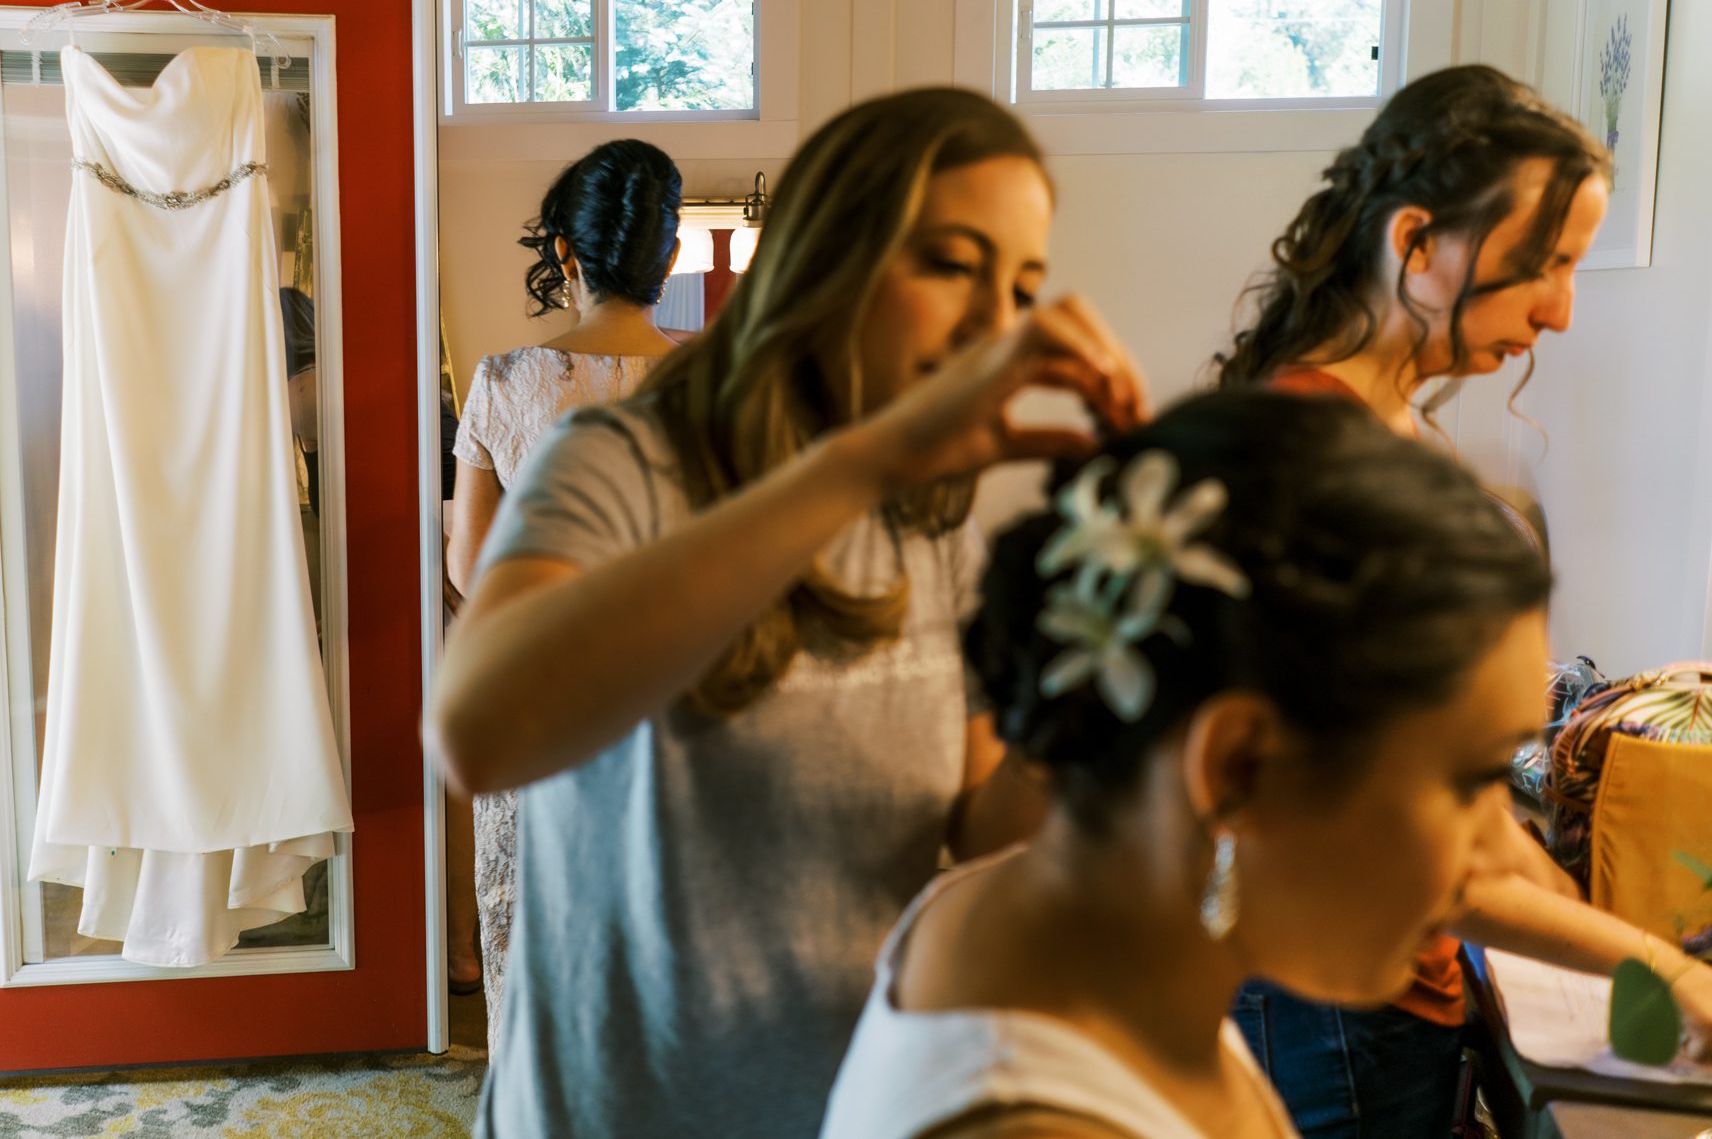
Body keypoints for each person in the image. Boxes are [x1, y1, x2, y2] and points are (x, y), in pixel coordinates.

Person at [432, 87, 1148, 1138]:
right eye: (954, 264)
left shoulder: (935, 529)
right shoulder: (614, 457)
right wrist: (860, 463)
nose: (998, 324)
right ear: (825, 258)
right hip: (619, 1102)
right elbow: (478, 731)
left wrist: (1107, 660)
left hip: (845, 1098)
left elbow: (985, 816)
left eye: (1025, 284)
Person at [820, 389, 1554, 1138]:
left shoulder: (1075, 942)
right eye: (1471, 784)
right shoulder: (1034, 1119)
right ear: (1237, 767)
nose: (1500, 854)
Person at [1217, 63, 1712, 1136]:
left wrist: (1587, 926)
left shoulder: (1374, 426)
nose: (1564, 312)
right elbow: (1378, 842)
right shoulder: (1324, 459)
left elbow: (1448, 788)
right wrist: (1657, 971)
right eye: (1547, 264)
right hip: (1334, 1001)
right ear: (1414, 245)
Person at [442, 138, 686, 1030]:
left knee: (538, 964)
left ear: (564, 254)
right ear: (671, 256)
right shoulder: (719, 387)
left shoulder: (505, 383)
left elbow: (469, 567)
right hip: (676, 713)